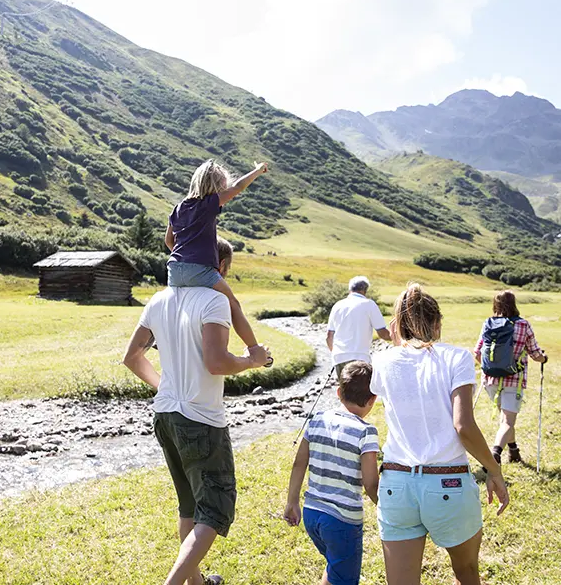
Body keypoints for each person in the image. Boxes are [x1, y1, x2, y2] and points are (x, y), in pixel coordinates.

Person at [123, 238, 271, 585]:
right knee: (215, 508)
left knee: (189, 505)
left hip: (165, 416)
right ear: (219, 267)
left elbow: (132, 358)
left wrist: (167, 388)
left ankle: (196, 583)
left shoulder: (158, 300)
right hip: (201, 418)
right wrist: (252, 360)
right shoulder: (215, 299)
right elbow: (217, 362)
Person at [371, 283, 509, 585]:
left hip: (396, 484)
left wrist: (400, 338)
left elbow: (400, 363)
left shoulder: (381, 360)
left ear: (398, 326)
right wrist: (494, 470)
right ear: (436, 323)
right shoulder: (456, 358)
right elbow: (464, 427)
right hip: (448, 482)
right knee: (466, 573)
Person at [284, 361, 380, 585]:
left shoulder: (316, 420)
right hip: (342, 521)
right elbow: (371, 484)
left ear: (338, 392)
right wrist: (389, 508)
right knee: (343, 575)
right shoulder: (366, 432)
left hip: (312, 514)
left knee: (335, 566)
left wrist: (292, 501)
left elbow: (299, 464)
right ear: (373, 399)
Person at [165, 158, 267, 350]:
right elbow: (238, 187)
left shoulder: (178, 208)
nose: (226, 188)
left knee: (174, 307)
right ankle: (254, 349)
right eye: (223, 185)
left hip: (174, 268)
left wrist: (183, 258)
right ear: (216, 185)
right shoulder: (208, 203)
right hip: (200, 269)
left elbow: (169, 241)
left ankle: (157, 338)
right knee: (233, 303)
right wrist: (258, 171)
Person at [474, 290, 548, 465]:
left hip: (491, 380)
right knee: (507, 421)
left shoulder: (488, 323)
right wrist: (544, 358)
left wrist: (491, 368)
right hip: (514, 381)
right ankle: (495, 453)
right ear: (513, 303)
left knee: (505, 419)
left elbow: (477, 353)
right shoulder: (523, 325)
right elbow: (536, 354)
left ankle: (513, 452)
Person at [326, 276, 391, 378]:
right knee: (361, 392)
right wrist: (400, 336)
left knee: (344, 392)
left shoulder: (337, 305)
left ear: (350, 289)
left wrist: (336, 353)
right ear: (365, 290)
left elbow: (329, 336)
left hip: (339, 357)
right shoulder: (369, 304)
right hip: (360, 358)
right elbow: (382, 333)